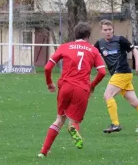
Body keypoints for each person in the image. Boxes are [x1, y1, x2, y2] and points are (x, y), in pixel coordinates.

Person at [38, 22, 107, 157]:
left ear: (74, 34)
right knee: (73, 121)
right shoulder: (93, 50)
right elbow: (102, 72)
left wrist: (49, 83)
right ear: (88, 35)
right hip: (82, 88)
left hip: (65, 86)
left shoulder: (65, 47)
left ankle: (43, 151)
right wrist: (92, 86)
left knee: (59, 119)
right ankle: (73, 128)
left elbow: (47, 68)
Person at [95, 19, 138, 135]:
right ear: (101, 31)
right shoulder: (99, 44)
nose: (108, 32)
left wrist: (137, 64)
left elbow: (135, 51)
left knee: (108, 95)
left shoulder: (120, 40)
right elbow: (92, 55)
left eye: (110, 29)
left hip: (122, 72)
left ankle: (115, 124)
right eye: (105, 30)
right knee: (135, 103)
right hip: (119, 75)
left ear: (113, 29)